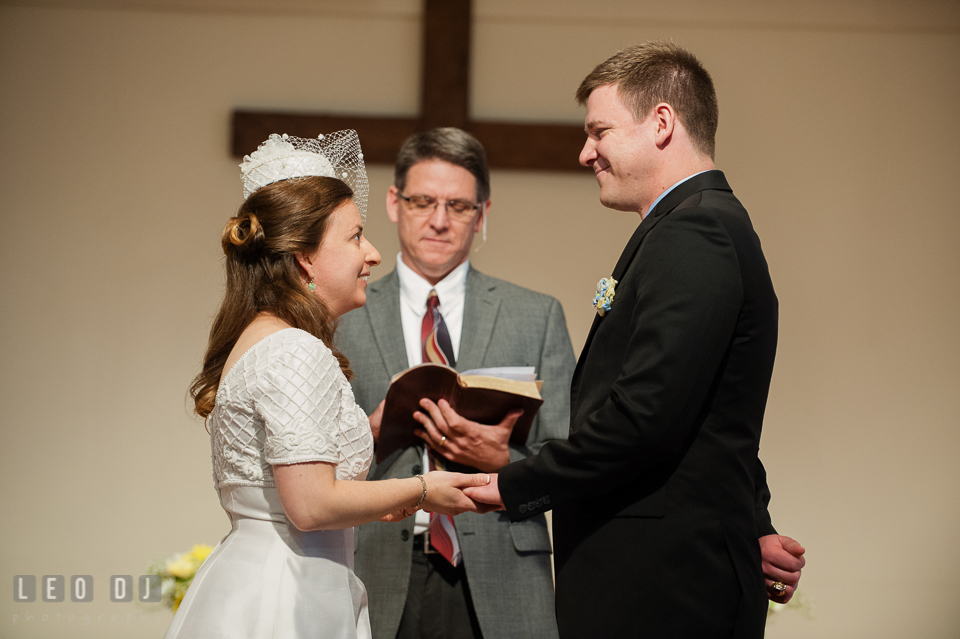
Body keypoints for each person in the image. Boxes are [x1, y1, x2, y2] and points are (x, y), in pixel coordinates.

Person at [466, 42, 804, 637]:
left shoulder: (695, 231)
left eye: (599, 131)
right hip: (662, 573)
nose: (584, 152)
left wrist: (512, 483)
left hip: (660, 585)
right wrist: (754, 520)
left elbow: (645, 415)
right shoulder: (694, 224)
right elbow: (707, 415)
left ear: (663, 123)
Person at [164, 131, 491, 639]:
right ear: (304, 258)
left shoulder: (262, 336)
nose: (373, 253)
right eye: (356, 236)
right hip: (288, 594)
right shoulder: (296, 349)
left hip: (262, 575)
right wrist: (425, 489)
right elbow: (312, 505)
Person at [337, 128, 574, 639]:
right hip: (373, 565)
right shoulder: (341, 316)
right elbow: (306, 464)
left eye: (459, 206)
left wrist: (506, 463)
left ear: (482, 214)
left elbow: (573, 460)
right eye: (423, 201)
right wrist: (371, 433)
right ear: (394, 203)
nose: (440, 221)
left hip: (502, 569)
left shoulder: (536, 315)